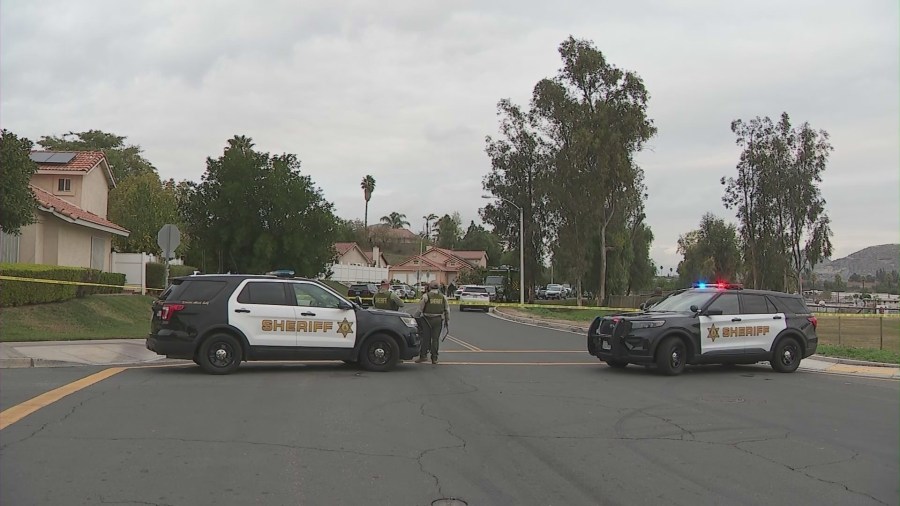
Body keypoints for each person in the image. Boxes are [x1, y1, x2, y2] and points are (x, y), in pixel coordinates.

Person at [415, 280, 450, 364]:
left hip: (426, 319)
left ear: (429, 287)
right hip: (438, 319)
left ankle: (423, 356)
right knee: (435, 339)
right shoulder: (443, 297)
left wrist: (415, 318)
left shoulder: (426, 296)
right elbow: (447, 310)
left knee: (425, 338)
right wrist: (447, 321)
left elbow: (419, 310)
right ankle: (434, 358)